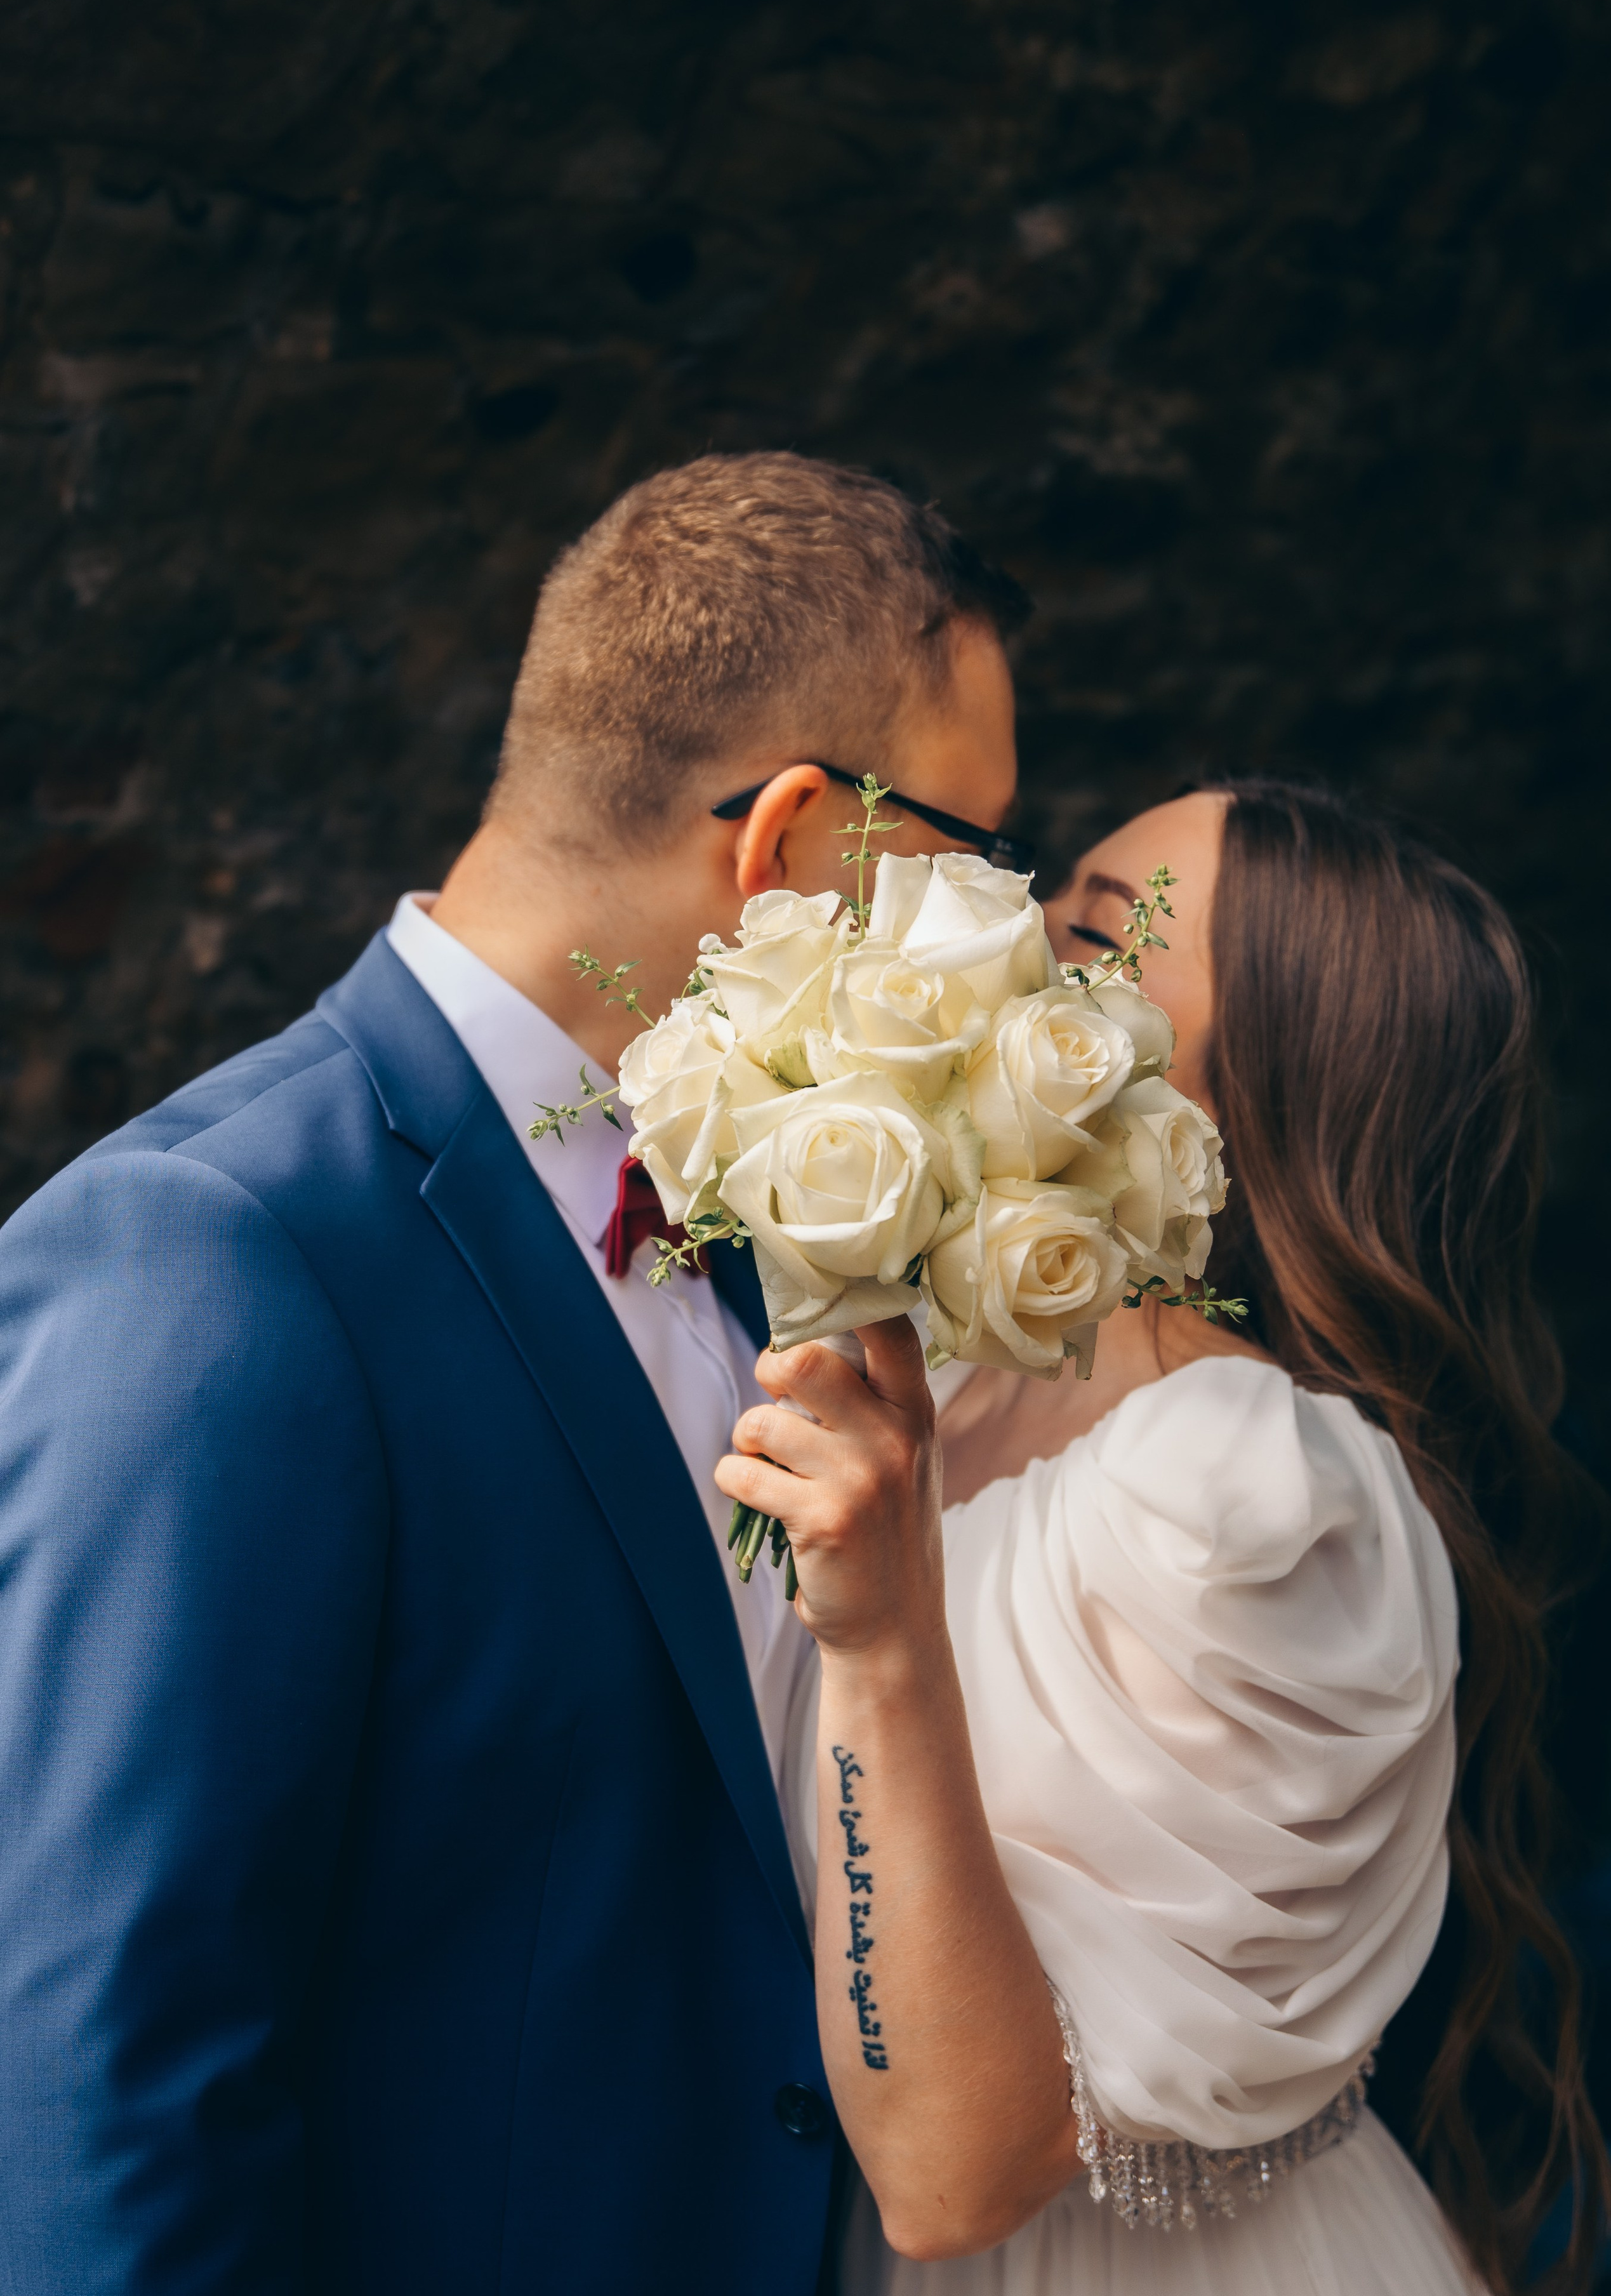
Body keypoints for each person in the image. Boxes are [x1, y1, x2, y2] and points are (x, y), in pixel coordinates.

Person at [0, 453, 1032, 2293]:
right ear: (790, 842)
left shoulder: (757, 1218)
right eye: (978, 855)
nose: (1005, 935)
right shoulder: (215, 1251)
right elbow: (104, 2077)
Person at [719, 780, 1611, 2295]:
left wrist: (883, 1641)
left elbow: (956, 2171)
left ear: (1233, 1095)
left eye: (1081, 939)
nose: (992, 948)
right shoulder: (925, 1363)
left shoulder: (1248, 1499)